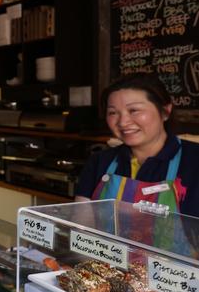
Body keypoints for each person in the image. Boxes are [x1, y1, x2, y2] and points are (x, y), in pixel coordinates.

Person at [75, 72, 199, 216]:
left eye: (134, 110)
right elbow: (81, 226)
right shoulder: (99, 162)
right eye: (113, 112)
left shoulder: (194, 161)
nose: (122, 122)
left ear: (165, 111)